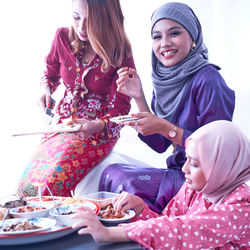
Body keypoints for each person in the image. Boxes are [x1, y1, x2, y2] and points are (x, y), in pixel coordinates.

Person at [98, 2, 235, 213]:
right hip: (178, 172)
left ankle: (148, 231)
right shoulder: (166, 81)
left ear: (193, 37)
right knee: (112, 172)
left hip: (204, 183)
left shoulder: (208, 79)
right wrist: (139, 97)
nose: (165, 43)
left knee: (126, 185)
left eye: (174, 33)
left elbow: (217, 152)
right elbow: (161, 145)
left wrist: (163, 127)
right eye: (157, 36)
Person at [18, 0, 135, 197]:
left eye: (90, 21)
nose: (81, 27)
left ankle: (61, 227)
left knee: (49, 187)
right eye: (76, 17)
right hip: (62, 124)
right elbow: (50, 73)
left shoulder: (120, 50)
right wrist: (46, 89)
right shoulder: (62, 36)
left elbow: (121, 107)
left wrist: (97, 125)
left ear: (106, 19)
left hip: (96, 131)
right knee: (26, 186)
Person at [72, 120, 250, 249]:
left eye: (194, 164)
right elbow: (167, 222)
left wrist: (109, 234)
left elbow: (182, 231)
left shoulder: (242, 207)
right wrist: (141, 209)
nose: (184, 169)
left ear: (222, 166)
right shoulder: (197, 188)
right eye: (186, 159)